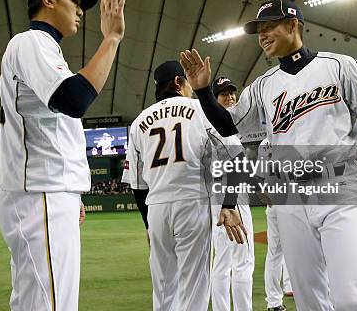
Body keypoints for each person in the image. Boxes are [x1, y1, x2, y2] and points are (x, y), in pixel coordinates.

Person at [180, 0, 357, 311]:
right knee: (310, 301)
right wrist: (202, 90)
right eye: (259, 31)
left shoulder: (340, 66)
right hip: (290, 198)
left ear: (293, 25)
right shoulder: (262, 86)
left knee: (352, 299)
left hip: (340, 189)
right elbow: (228, 125)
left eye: (269, 27)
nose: (262, 36)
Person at [0, 0, 126, 310]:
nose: (81, 9)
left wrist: (70, 191)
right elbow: (73, 99)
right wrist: (111, 38)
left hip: (47, 191)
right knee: (50, 304)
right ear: (49, 0)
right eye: (75, 0)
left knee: (36, 300)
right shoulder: (30, 42)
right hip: (41, 192)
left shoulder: (45, 49)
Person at [123, 61, 247, 311]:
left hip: (156, 209)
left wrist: (149, 224)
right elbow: (239, 158)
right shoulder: (201, 110)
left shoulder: (139, 122)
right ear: (179, 82)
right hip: (192, 203)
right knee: (194, 290)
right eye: (188, 82)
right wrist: (229, 203)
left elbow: (137, 185)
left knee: (164, 291)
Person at [209, 77, 255, 311]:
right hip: (232, 199)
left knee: (221, 263)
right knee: (243, 262)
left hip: (214, 198)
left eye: (232, 93)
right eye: (223, 94)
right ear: (215, 100)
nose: (230, 97)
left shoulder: (206, 125)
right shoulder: (223, 128)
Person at [260, 139, 293, 311]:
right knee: (304, 249)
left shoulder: (264, 144)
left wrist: (267, 198)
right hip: (290, 201)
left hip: (273, 201)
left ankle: (273, 302)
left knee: (274, 254)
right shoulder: (289, 134)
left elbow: (258, 180)